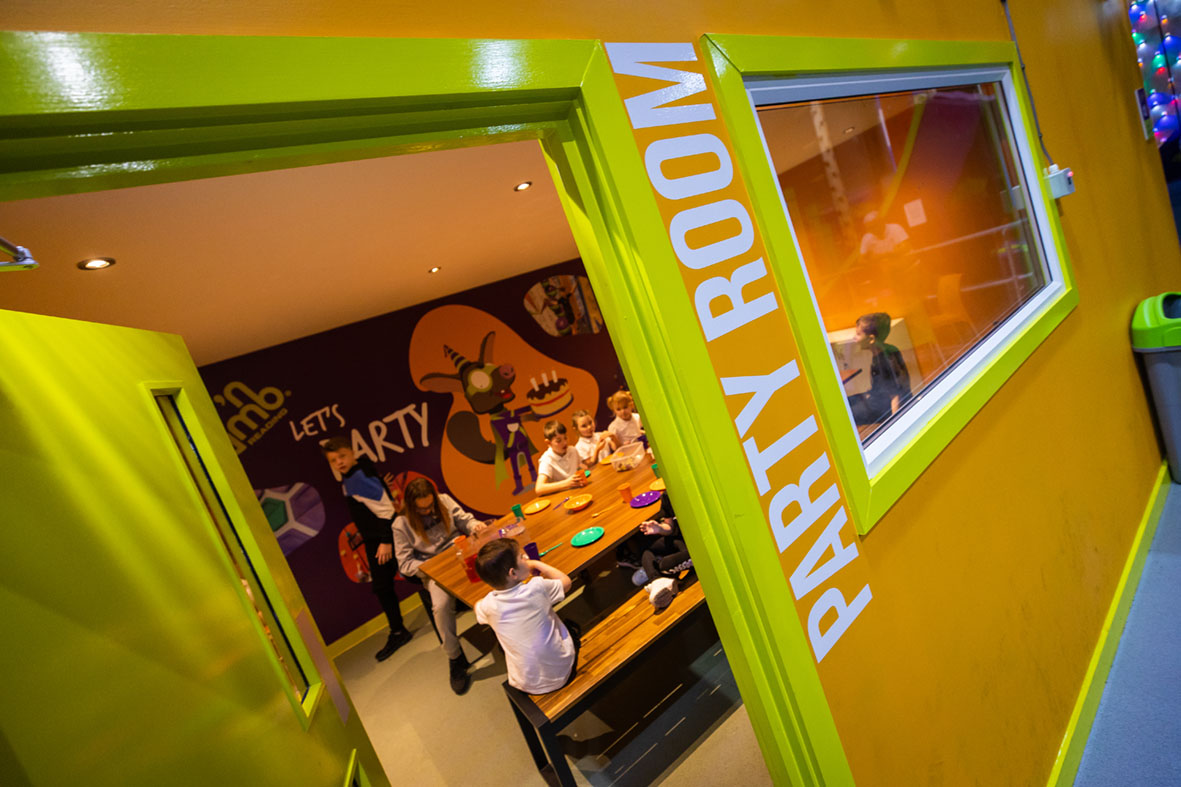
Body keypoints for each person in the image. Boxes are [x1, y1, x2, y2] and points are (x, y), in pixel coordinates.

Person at [392, 477, 487, 694]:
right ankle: (455, 657)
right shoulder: (400, 525)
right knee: (441, 606)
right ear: (411, 507)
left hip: (461, 553)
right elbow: (405, 565)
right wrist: (432, 567)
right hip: (433, 570)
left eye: (430, 506)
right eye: (422, 509)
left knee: (493, 570)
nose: (428, 511)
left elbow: (464, 520)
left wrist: (474, 525)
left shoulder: (443, 500)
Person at [321, 437, 413, 662]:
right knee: (396, 579)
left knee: (398, 579)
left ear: (352, 453)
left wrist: (386, 541)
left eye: (342, 456)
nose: (339, 462)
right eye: (333, 460)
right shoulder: (355, 474)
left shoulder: (358, 478)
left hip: (383, 538)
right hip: (379, 537)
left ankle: (399, 632)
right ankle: (399, 631)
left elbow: (386, 511)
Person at [474, 538, 580, 694]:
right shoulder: (537, 588)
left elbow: (477, 608)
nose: (526, 558)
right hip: (562, 672)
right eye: (522, 557)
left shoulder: (487, 605)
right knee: (571, 626)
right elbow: (566, 582)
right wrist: (536, 563)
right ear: (513, 573)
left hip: (525, 683)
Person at [627, 494, 693, 609]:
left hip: (696, 546)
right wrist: (660, 528)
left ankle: (662, 578)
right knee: (646, 549)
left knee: (665, 565)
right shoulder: (668, 495)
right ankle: (658, 580)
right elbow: (670, 527)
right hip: (679, 540)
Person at [846, 312, 911, 426]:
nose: (854, 338)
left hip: (882, 407)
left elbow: (896, 395)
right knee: (843, 402)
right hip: (875, 398)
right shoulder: (885, 351)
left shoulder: (885, 360)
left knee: (845, 414)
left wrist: (896, 423)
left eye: (858, 334)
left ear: (871, 339)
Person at [534, 420, 589, 495]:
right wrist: (567, 483)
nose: (565, 443)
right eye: (558, 441)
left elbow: (581, 467)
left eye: (565, 438)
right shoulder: (546, 460)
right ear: (548, 443)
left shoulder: (572, 450)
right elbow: (539, 488)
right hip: (561, 495)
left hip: (577, 491)